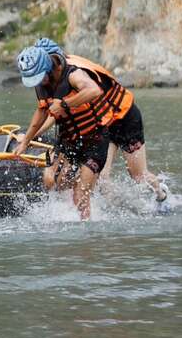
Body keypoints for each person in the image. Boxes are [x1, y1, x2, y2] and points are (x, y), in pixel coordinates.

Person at [32, 37, 169, 211]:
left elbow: (59, 109)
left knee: (138, 175)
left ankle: (161, 195)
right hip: (104, 124)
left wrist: (36, 133)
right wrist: (33, 134)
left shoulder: (73, 73)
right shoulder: (57, 73)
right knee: (102, 177)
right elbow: (56, 111)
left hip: (125, 117)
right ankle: (112, 209)